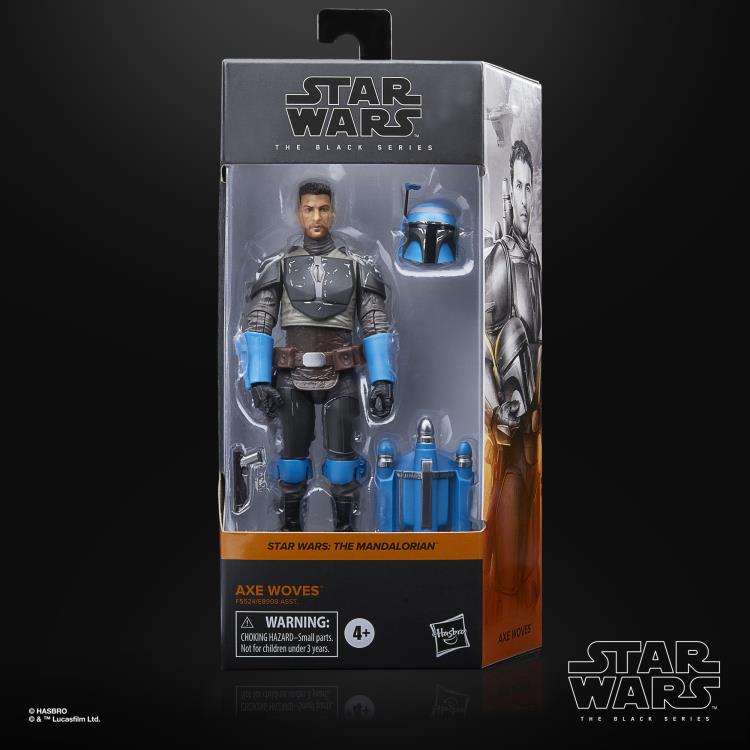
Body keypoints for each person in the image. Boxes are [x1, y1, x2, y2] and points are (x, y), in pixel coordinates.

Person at [236, 181, 395, 531]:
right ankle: (290, 530)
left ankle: (345, 532)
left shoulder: (357, 266)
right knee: (291, 465)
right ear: (298, 213)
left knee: (342, 468)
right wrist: (258, 380)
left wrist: (383, 379)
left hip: (343, 377)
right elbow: (259, 321)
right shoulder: (279, 265)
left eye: (323, 209)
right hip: (291, 377)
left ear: (333, 212)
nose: (316, 217)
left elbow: (375, 323)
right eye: (309, 209)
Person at [484, 140, 542, 599]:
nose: (525, 199)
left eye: (530, 187)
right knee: (505, 578)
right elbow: (479, 342)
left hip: (533, 435)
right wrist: (496, 408)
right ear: (508, 189)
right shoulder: (502, 258)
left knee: (526, 570)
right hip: (509, 434)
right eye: (518, 187)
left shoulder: (533, 258)